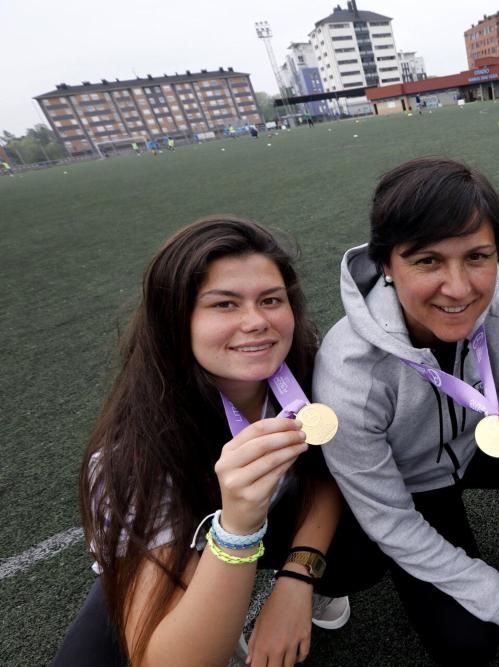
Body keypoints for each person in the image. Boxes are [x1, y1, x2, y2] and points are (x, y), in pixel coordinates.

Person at [314, 157, 499, 665]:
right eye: (427, 261)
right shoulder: (348, 374)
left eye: (477, 257)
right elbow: (389, 520)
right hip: (412, 486)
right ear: (387, 264)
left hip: (479, 445)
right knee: (468, 644)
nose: (458, 288)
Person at [55, 217, 354, 667]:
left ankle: (317, 591)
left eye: (271, 300)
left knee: (364, 536)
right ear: (175, 320)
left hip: (279, 523)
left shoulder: (307, 362)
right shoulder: (130, 457)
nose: (256, 322)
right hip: (182, 547)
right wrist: (237, 526)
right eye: (224, 305)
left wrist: (297, 579)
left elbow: (326, 473)